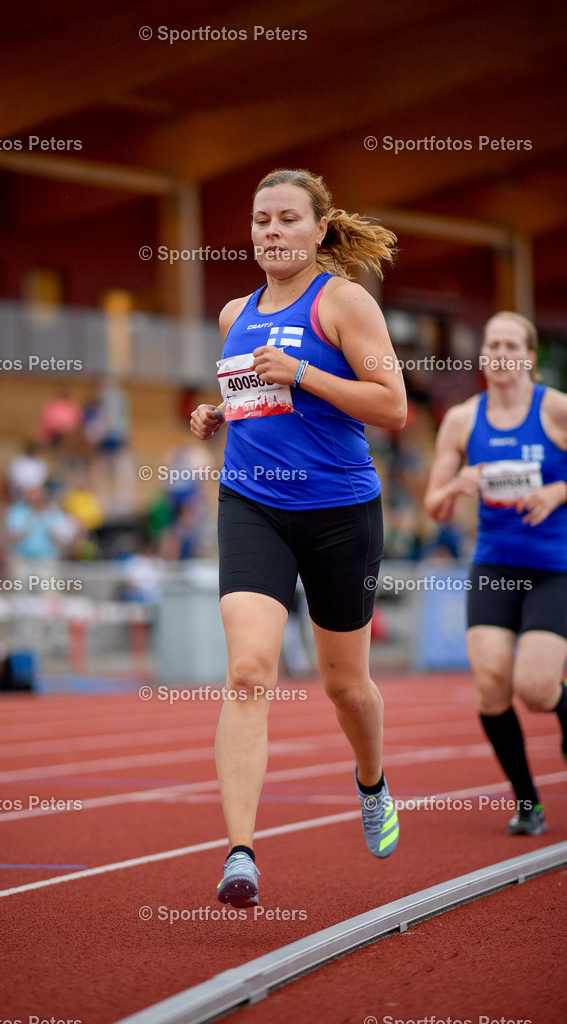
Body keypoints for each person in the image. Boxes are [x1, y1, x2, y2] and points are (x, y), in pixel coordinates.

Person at [190, 168, 407, 907]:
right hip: (252, 504)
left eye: (287, 219)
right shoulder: (232, 314)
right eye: (260, 221)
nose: (271, 232)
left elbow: (393, 407)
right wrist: (218, 413)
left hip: (339, 511)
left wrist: (306, 371)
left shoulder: (343, 302)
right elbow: (256, 394)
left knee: (345, 686)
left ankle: (371, 782)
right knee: (249, 671)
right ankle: (240, 854)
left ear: (319, 229)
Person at [424, 311, 567, 836]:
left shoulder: (555, 411)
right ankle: (528, 802)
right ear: (482, 356)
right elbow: (433, 507)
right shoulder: (463, 419)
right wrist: (457, 485)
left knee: (534, 687)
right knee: (490, 686)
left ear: (529, 357)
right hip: (494, 565)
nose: (500, 352)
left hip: (555, 567)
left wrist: (557, 490)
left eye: (511, 343)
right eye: (492, 344)